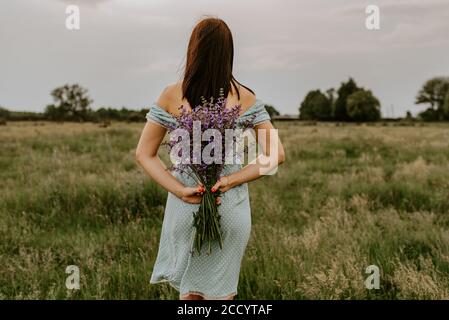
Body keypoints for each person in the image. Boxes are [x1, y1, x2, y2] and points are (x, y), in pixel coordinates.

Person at [136, 16, 285, 300]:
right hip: (230, 207)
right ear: (228, 53)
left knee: (190, 298)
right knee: (223, 296)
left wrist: (180, 190)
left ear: (194, 51)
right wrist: (231, 180)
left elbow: (144, 154)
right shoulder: (245, 97)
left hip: (186, 204)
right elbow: (276, 154)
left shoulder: (171, 95)